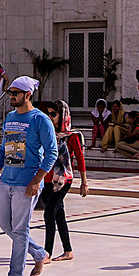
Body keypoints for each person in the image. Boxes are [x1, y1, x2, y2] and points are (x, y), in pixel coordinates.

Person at [0, 76, 57, 276]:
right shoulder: (9, 117)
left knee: (20, 229)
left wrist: (37, 180)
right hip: (7, 179)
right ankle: (40, 253)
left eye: (15, 93)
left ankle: (15, 274)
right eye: (10, 93)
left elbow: (51, 153)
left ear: (28, 95)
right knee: (5, 225)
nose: (11, 96)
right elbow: (4, 148)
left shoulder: (40, 120)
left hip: (27, 182)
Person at [38, 100, 87, 263]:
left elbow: (80, 159)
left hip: (62, 180)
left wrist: (84, 182)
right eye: (48, 114)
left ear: (63, 115)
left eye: (54, 114)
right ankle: (68, 250)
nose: (50, 117)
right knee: (59, 215)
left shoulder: (72, 136)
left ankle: (47, 253)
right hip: (46, 179)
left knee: (49, 213)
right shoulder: (47, 133)